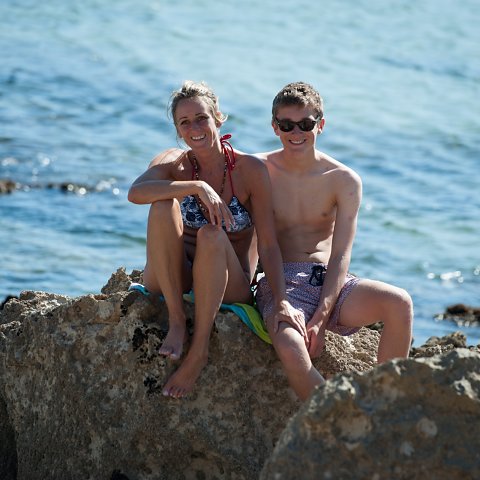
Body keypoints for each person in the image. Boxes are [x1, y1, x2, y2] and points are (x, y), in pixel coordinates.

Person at [128, 81, 304, 399]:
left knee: (211, 234)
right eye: (185, 122)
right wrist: (196, 187)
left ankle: (199, 351)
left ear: (218, 118)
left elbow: (269, 245)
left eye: (201, 118)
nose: (194, 128)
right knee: (162, 205)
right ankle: (177, 320)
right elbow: (136, 193)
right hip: (173, 276)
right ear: (178, 130)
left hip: (228, 281)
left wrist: (281, 301)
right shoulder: (175, 163)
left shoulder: (250, 170)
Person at [255, 82, 414, 401]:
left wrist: (321, 317)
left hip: (329, 280)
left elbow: (341, 254)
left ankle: (388, 405)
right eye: (286, 125)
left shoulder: (343, 180)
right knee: (291, 348)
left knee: (399, 303)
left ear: (321, 125)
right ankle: (337, 417)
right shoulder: (258, 170)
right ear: (274, 126)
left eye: (306, 124)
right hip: (282, 281)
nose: (296, 132)